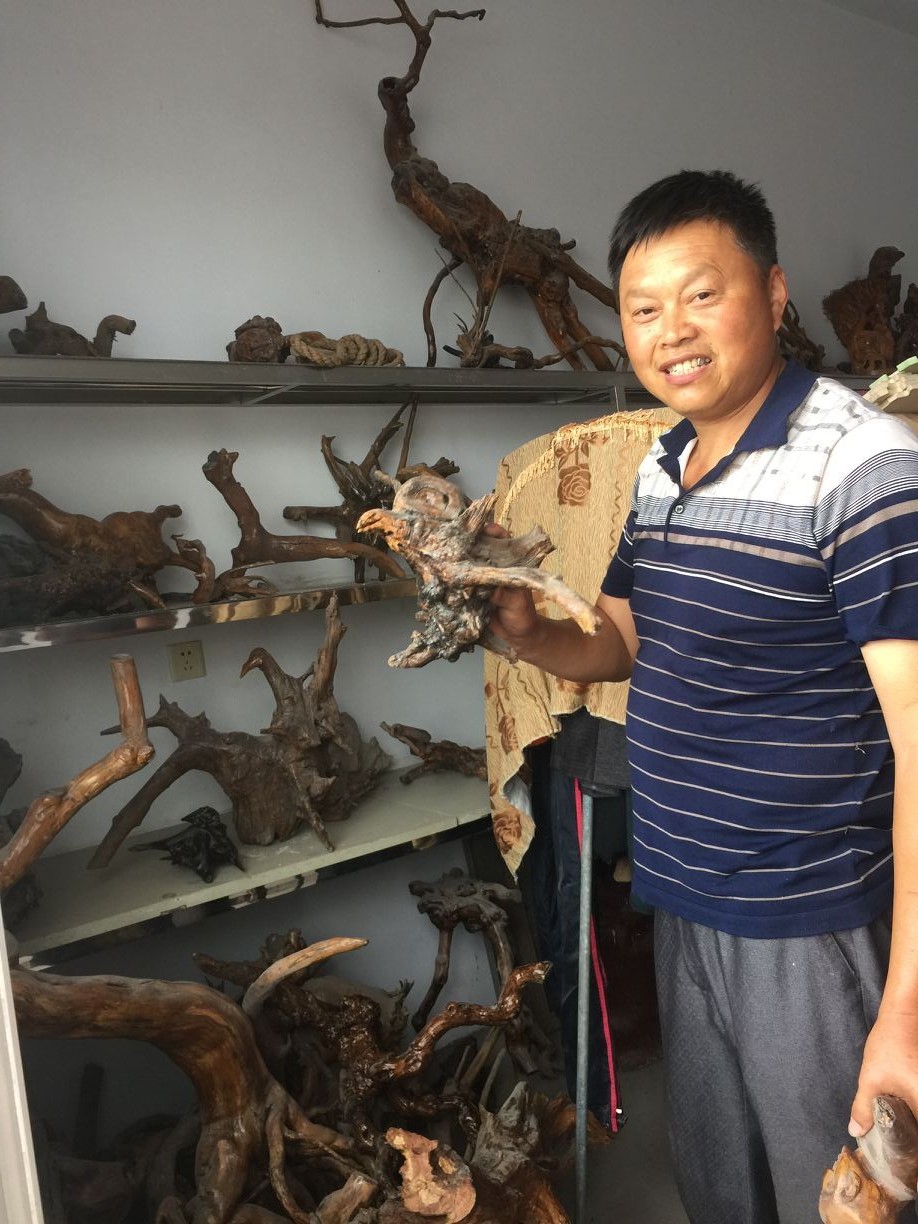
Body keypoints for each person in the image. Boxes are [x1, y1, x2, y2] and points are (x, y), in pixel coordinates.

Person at [488, 169, 918, 1223]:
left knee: (840, 1200)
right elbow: (618, 644)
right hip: (683, 897)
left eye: (701, 294)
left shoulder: (865, 466)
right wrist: (528, 630)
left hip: (809, 922)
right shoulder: (663, 465)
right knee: (723, 1188)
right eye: (642, 309)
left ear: (773, 292)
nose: (670, 331)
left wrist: (906, 1008)